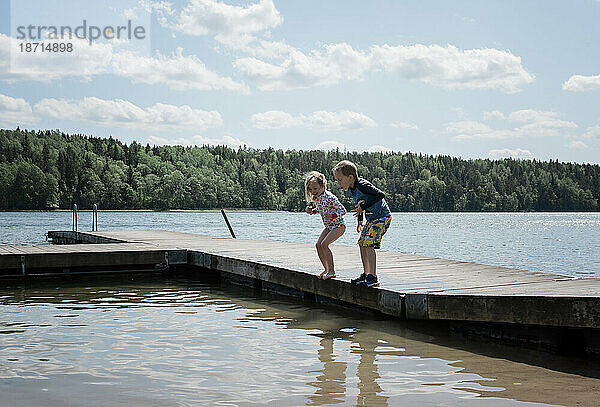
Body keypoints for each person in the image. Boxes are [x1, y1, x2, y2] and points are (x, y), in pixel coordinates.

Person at [332, 160, 391, 287]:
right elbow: (359, 204)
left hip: (382, 217)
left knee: (369, 244)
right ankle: (366, 274)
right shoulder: (352, 189)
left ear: (350, 177)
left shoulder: (362, 185)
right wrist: (360, 221)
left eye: (340, 180)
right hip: (371, 219)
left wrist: (363, 206)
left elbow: (380, 194)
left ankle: (373, 277)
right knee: (362, 243)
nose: (338, 183)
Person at [304, 171, 347, 280]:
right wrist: (311, 211)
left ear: (323, 185)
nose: (313, 192)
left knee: (324, 244)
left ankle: (332, 271)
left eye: (315, 188)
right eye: (310, 189)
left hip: (339, 226)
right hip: (329, 227)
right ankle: (326, 269)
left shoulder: (329, 197)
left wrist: (332, 215)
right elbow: (320, 210)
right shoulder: (318, 198)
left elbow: (343, 210)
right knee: (318, 244)